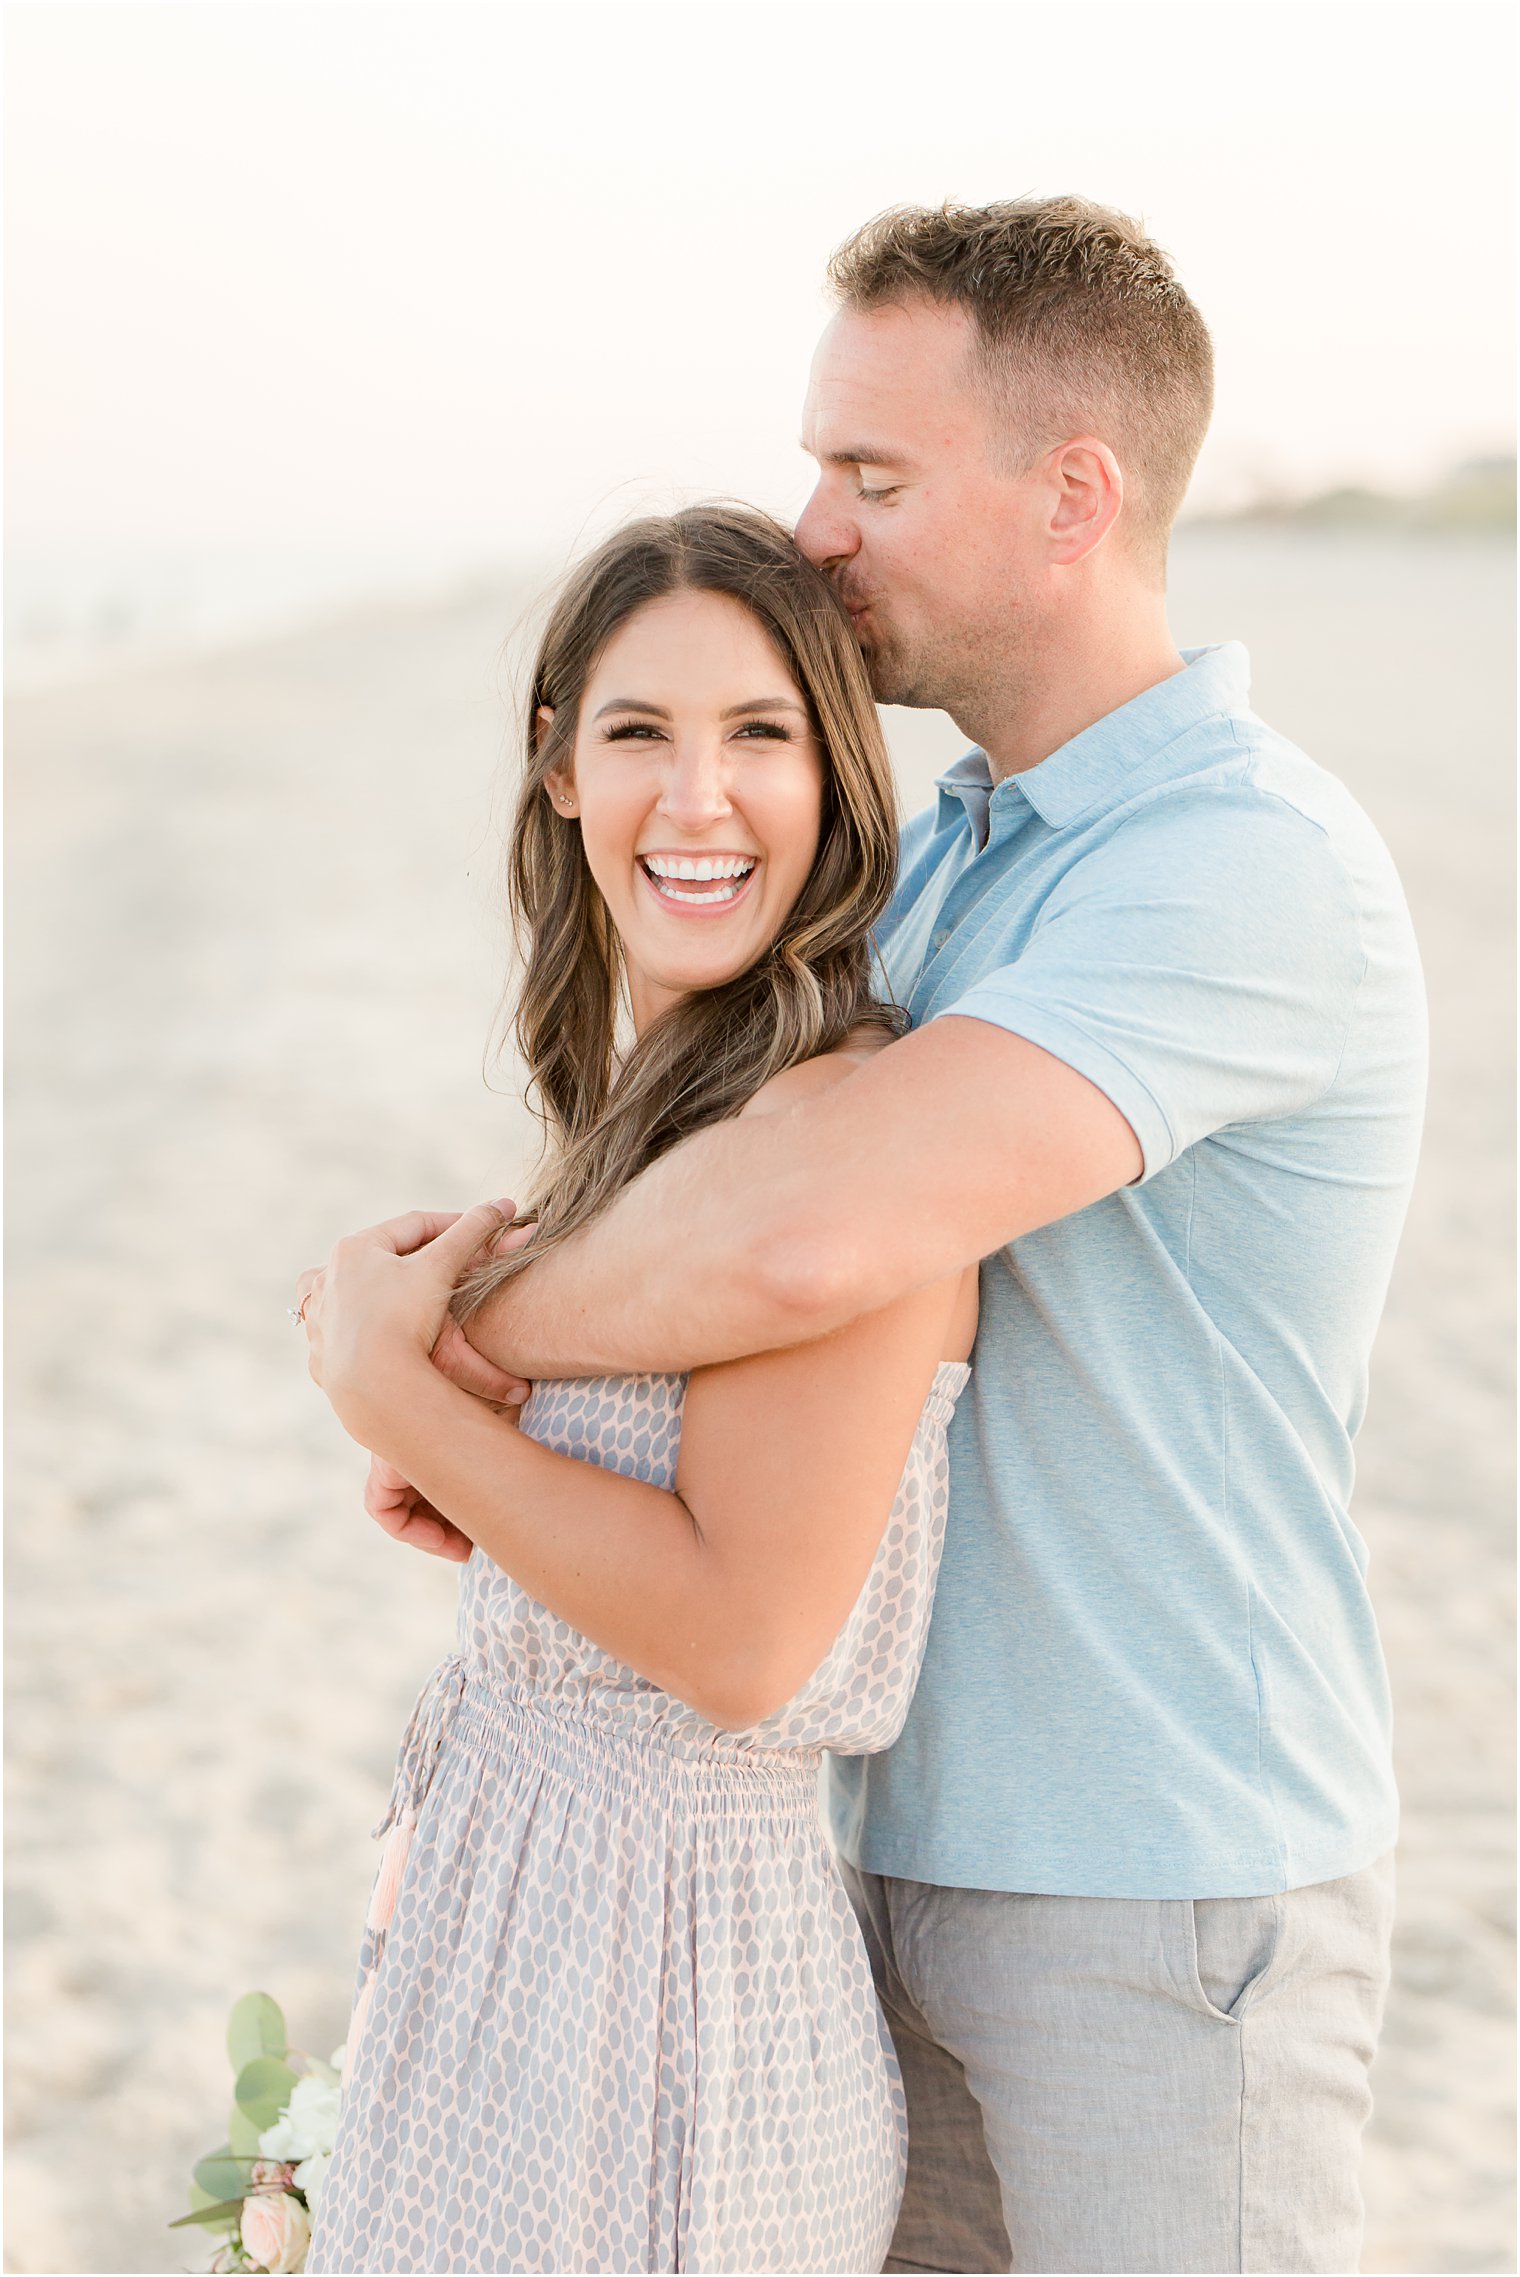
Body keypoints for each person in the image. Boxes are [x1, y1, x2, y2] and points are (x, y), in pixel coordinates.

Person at [375, 199, 1429, 2274]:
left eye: (870, 474)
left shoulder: (1232, 863)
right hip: (879, 1854)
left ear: (1072, 495)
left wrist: (430, 1344)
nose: (816, 524)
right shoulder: (950, 854)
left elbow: (804, 1238)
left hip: (1157, 1890)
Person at [295, 504, 979, 2275]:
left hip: (673, 2010)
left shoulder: (836, 1130)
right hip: (510, 1958)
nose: (699, 799)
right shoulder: (649, 1101)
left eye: (761, 734)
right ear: (556, 771)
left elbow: (744, 1638)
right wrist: (495, 1478)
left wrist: (409, 1398)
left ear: (836, 777)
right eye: (640, 734)